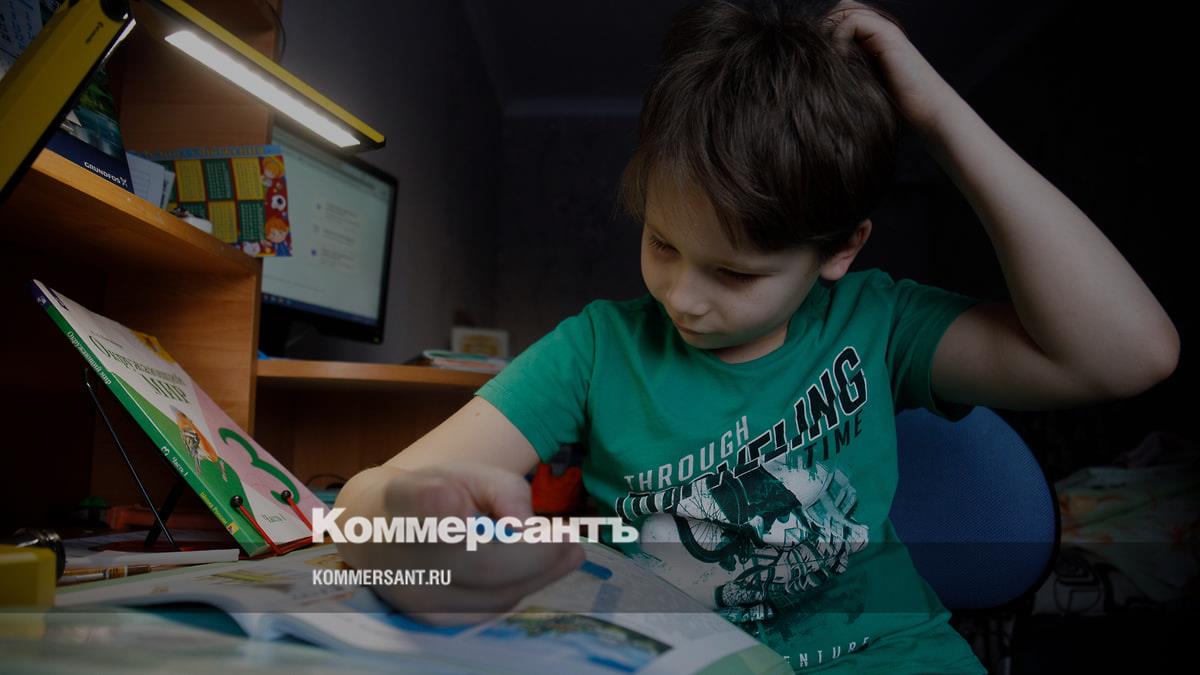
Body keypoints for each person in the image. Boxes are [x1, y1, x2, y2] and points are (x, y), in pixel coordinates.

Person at [333, 0, 1179, 671]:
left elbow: (1131, 354)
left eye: (734, 274)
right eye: (661, 243)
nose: (682, 298)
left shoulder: (877, 324)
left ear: (841, 249)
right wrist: (411, 518)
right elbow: (360, 505)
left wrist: (938, 117)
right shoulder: (595, 350)